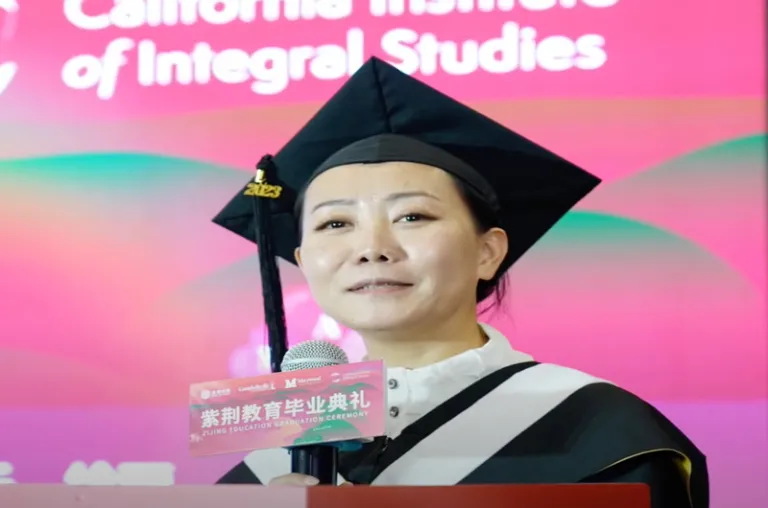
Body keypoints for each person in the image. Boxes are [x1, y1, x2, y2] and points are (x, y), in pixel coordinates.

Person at [211, 57, 708, 507]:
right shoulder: (278, 463)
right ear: (303, 259)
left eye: (412, 216)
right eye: (335, 224)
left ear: (488, 251)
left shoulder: (597, 432)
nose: (371, 247)